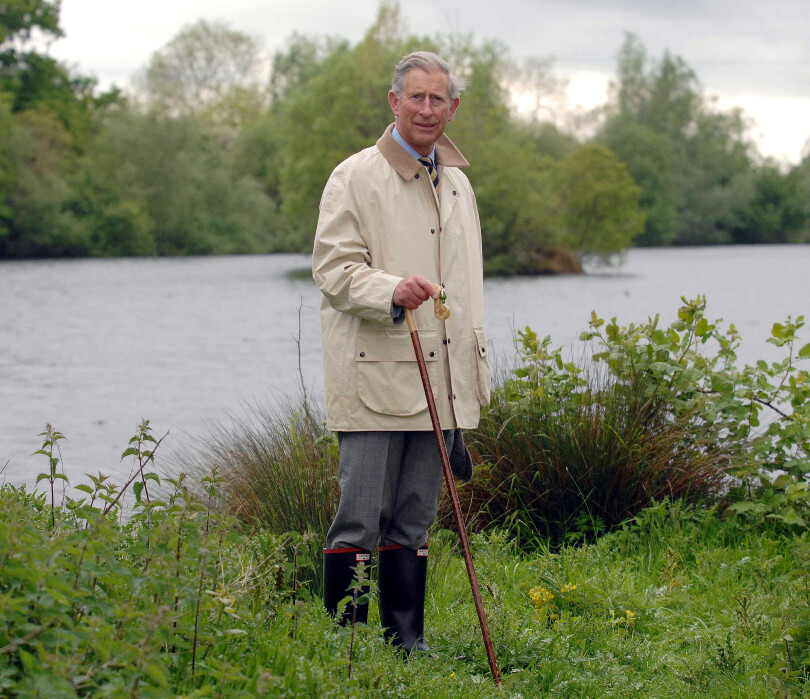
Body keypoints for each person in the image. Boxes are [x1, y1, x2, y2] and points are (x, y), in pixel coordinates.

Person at [312, 51, 491, 653]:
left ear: (453, 107)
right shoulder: (353, 177)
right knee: (359, 519)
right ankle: (349, 651)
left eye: (438, 99)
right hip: (375, 380)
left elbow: (467, 297)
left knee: (414, 518)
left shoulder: (460, 183)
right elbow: (334, 272)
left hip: (439, 384)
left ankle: (405, 644)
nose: (426, 109)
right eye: (415, 97)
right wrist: (393, 288)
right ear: (393, 101)